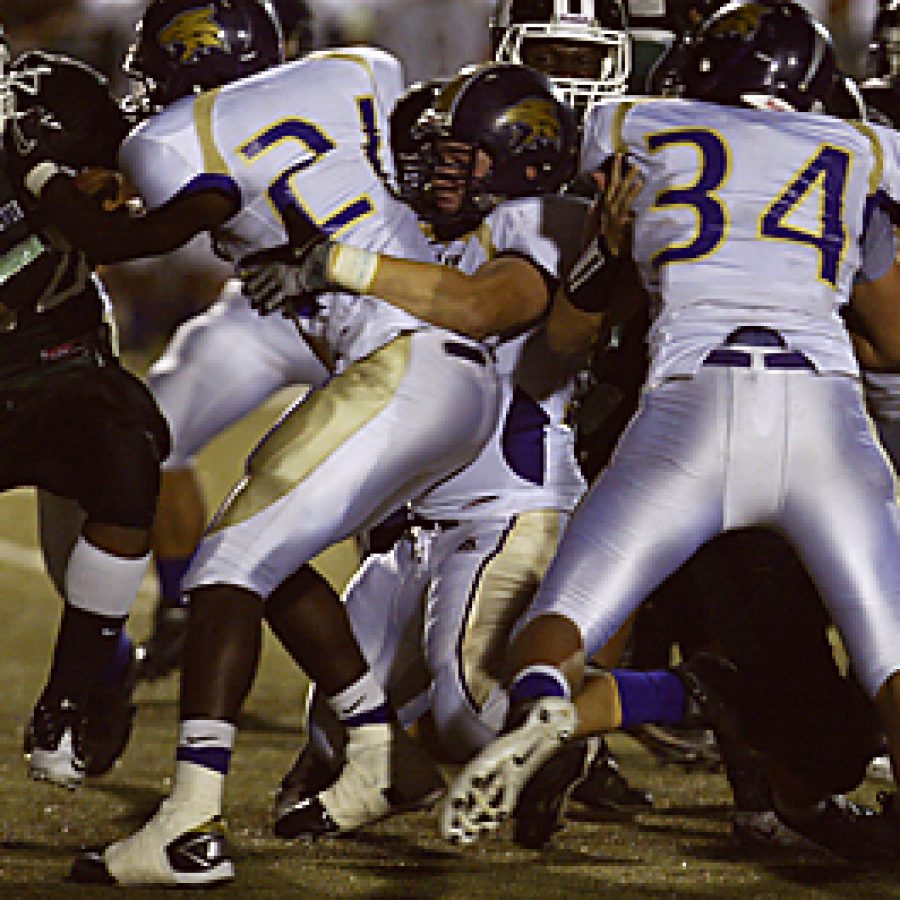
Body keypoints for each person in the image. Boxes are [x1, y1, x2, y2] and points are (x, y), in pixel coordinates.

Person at [23, 0, 501, 886]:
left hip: (394, 364)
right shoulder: (358, 69)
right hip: (451, 364)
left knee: (225, 571)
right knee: (261, 552)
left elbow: (136, 239)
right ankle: (379, 753)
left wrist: (44, 176)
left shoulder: (178, 137)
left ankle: (188, 823)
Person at [438, 0, 900, 860]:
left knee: (567, 616)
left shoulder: (630, 127)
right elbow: (896, 338)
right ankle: (782, 793)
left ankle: (549, 703)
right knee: (884, 652)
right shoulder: (860, 149)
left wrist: (617, 248)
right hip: (823, 416)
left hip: (686, 406)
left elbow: (569, 338)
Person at [263, 66, 606, 836]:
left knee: (469, 718)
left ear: (523, 159)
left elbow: (483, 310)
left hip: (508, 511)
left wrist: (342, 264)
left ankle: (613, 721)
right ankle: (392, 781)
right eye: (436, 155)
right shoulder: (430, 244)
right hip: (418, 527)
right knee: (336, 723)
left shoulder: (534, 224)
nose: (439, 172)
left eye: (463, 156)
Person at [134, 0, 326, 683]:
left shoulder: (360, 95)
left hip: (362, 313)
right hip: (260, 308)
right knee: (148, 428)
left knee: (395, 484)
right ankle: (180, 608)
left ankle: (387, 642)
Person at [0, 38, 170, 787]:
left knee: (125, 448)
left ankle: (75, 694)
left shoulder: (56, 98)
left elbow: (135, 184)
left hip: (58, 367)